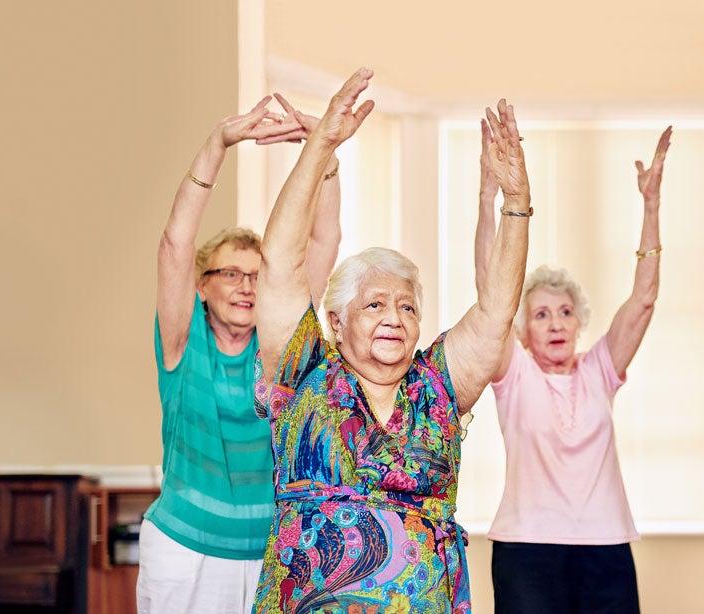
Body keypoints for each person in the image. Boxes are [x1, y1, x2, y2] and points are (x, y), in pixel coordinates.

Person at [252, 68, 533, 613]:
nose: (394, 318)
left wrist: (515, 202)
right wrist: (321, 145)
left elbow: (497, 310)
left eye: (407, 306)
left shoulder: (439, 388)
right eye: (375, 304)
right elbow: (280, 262)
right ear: (336, 321)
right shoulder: (304, 372)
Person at [137, 95, 343, 614]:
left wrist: (326, 155)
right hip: (183, 551)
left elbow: (321, 239)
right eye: (230, 273)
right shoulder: (183, 338)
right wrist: (218, 144)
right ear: (203, 285)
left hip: (271, 553)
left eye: (256, 276)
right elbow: (174, 245)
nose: (246, 286)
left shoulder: (280, 346)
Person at [475, 124, 672, 613]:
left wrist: (651, 207)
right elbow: (489, 289)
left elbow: (643, 300)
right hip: (527, 550)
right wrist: (487, 196)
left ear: (579, 322)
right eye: (540, 314)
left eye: (565, 312)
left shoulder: (600, 371)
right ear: (522, 329)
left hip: (605, 547)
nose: (555, 323)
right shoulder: (514, 373)